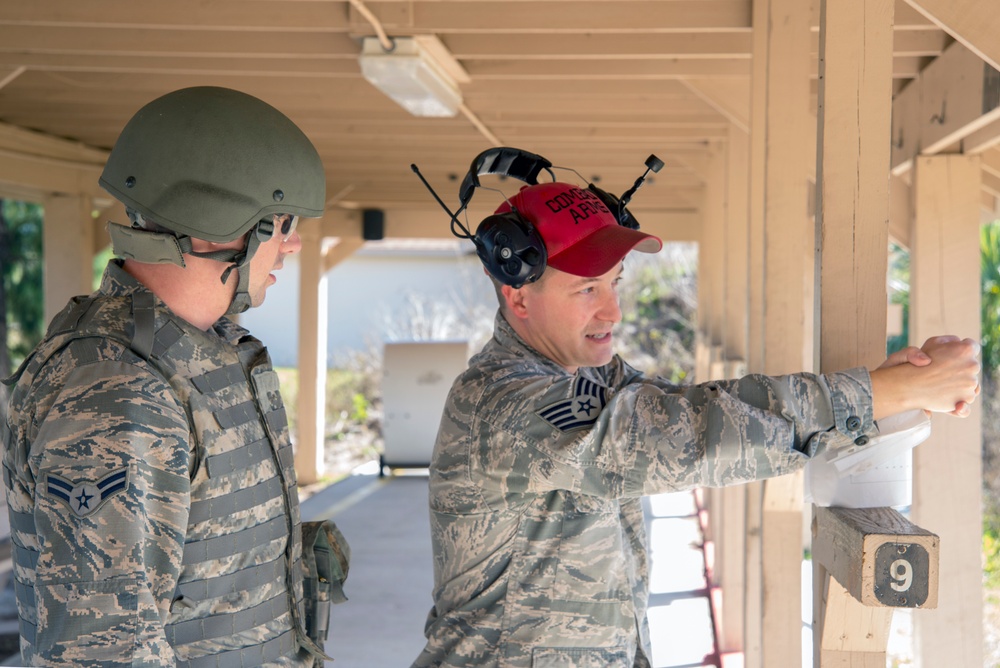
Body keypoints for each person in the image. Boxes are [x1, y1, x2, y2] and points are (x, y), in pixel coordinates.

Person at [412, 148, 981, 667]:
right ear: (518, 295)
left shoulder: (590, 374)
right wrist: (885, 394)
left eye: (616, 282)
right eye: (587, 290)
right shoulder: (504, 400)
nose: (613, 312)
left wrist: (880, 390)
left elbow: (694, 407)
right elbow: (683, 439)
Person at [1, 86, 349, 666]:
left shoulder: (207, 350)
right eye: (282, 223)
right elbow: (105, 650)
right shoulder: (116, 390)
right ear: (222, 225)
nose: (293, 243)